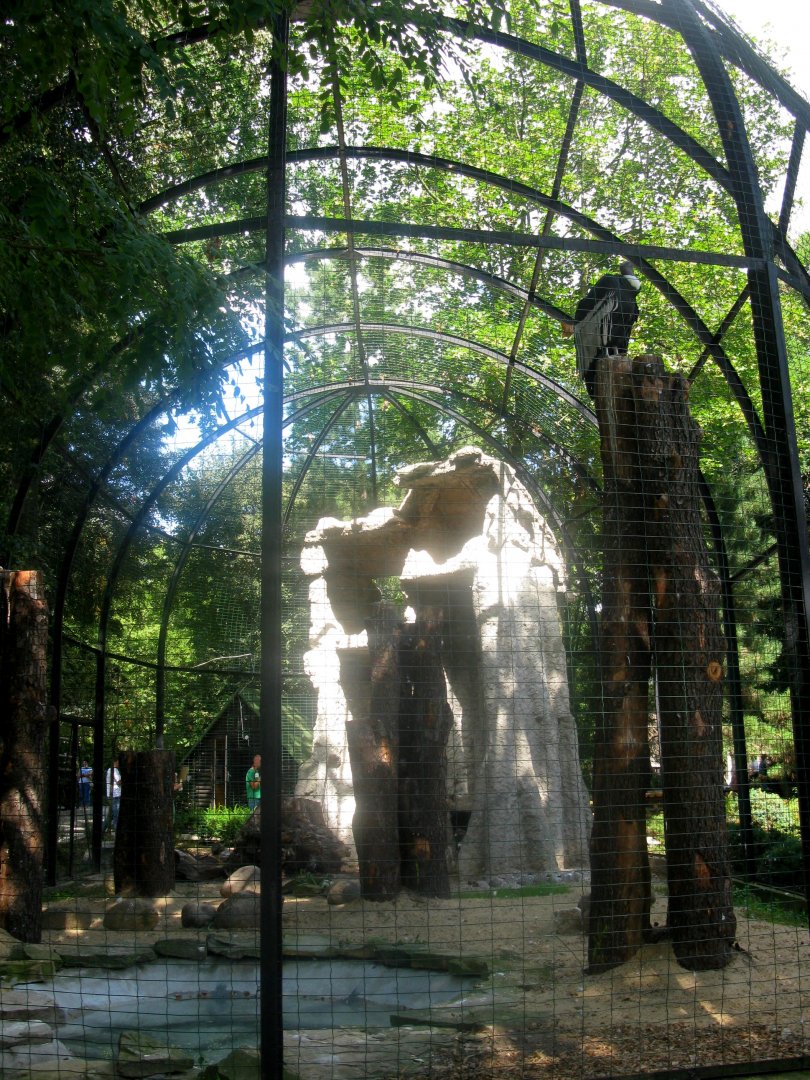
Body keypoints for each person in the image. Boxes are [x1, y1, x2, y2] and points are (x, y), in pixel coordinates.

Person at [564, 261, 641, 397]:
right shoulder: (610, 283)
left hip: (613, 359)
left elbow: (623, 332)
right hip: (598, 355)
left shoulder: (631, 300)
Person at [106, 757, 121, 833]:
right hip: (115, 795)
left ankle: (102, 829)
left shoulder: (111, 770)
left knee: (111, 814)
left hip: (114, 794)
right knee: (116, 813)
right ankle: (116, 829)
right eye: (119, 761)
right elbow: (118, 782)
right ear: (115, 761)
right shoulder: (114, 770)